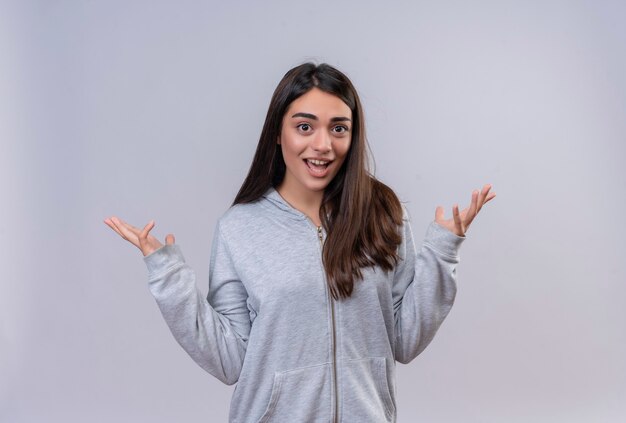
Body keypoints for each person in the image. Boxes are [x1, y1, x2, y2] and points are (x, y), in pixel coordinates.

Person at [104, 63, 495, 423]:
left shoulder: (383, 213)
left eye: (338, 128)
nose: (323, 144)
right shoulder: (239, 227)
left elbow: (405, 340)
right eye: (305, 127)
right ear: (278, 132)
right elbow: (228, 360)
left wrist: (444, 250)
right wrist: (168, 275)